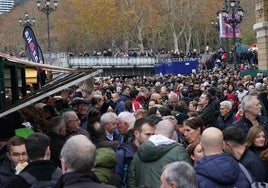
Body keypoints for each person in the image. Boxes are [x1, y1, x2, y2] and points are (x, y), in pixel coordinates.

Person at [127, 119, 191, 187]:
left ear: (156, 132)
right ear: (172, 136)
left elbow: (132, 179)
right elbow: (187, 180)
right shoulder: (179, 151)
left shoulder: (141, 150)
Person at [114, 118, 155, 187]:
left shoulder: (155, 152)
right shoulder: (122, 154)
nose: (151, 138)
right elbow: (118, 181)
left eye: (153, 134)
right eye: (148, 134)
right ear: (136, 134)